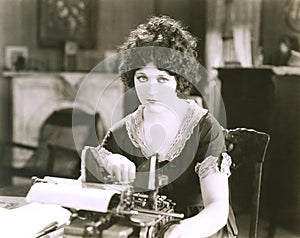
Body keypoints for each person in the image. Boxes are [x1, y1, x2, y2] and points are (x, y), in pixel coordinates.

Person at [83, 15, 237, 238]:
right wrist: (109, 162)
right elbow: (88, 187)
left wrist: (178, 233)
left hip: (198, 228)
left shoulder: (204, 128)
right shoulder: (124, 131)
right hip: (146, 228)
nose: (151, 90)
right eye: (142, 78)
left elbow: (218, 209)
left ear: (179, 80)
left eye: (162, 79)